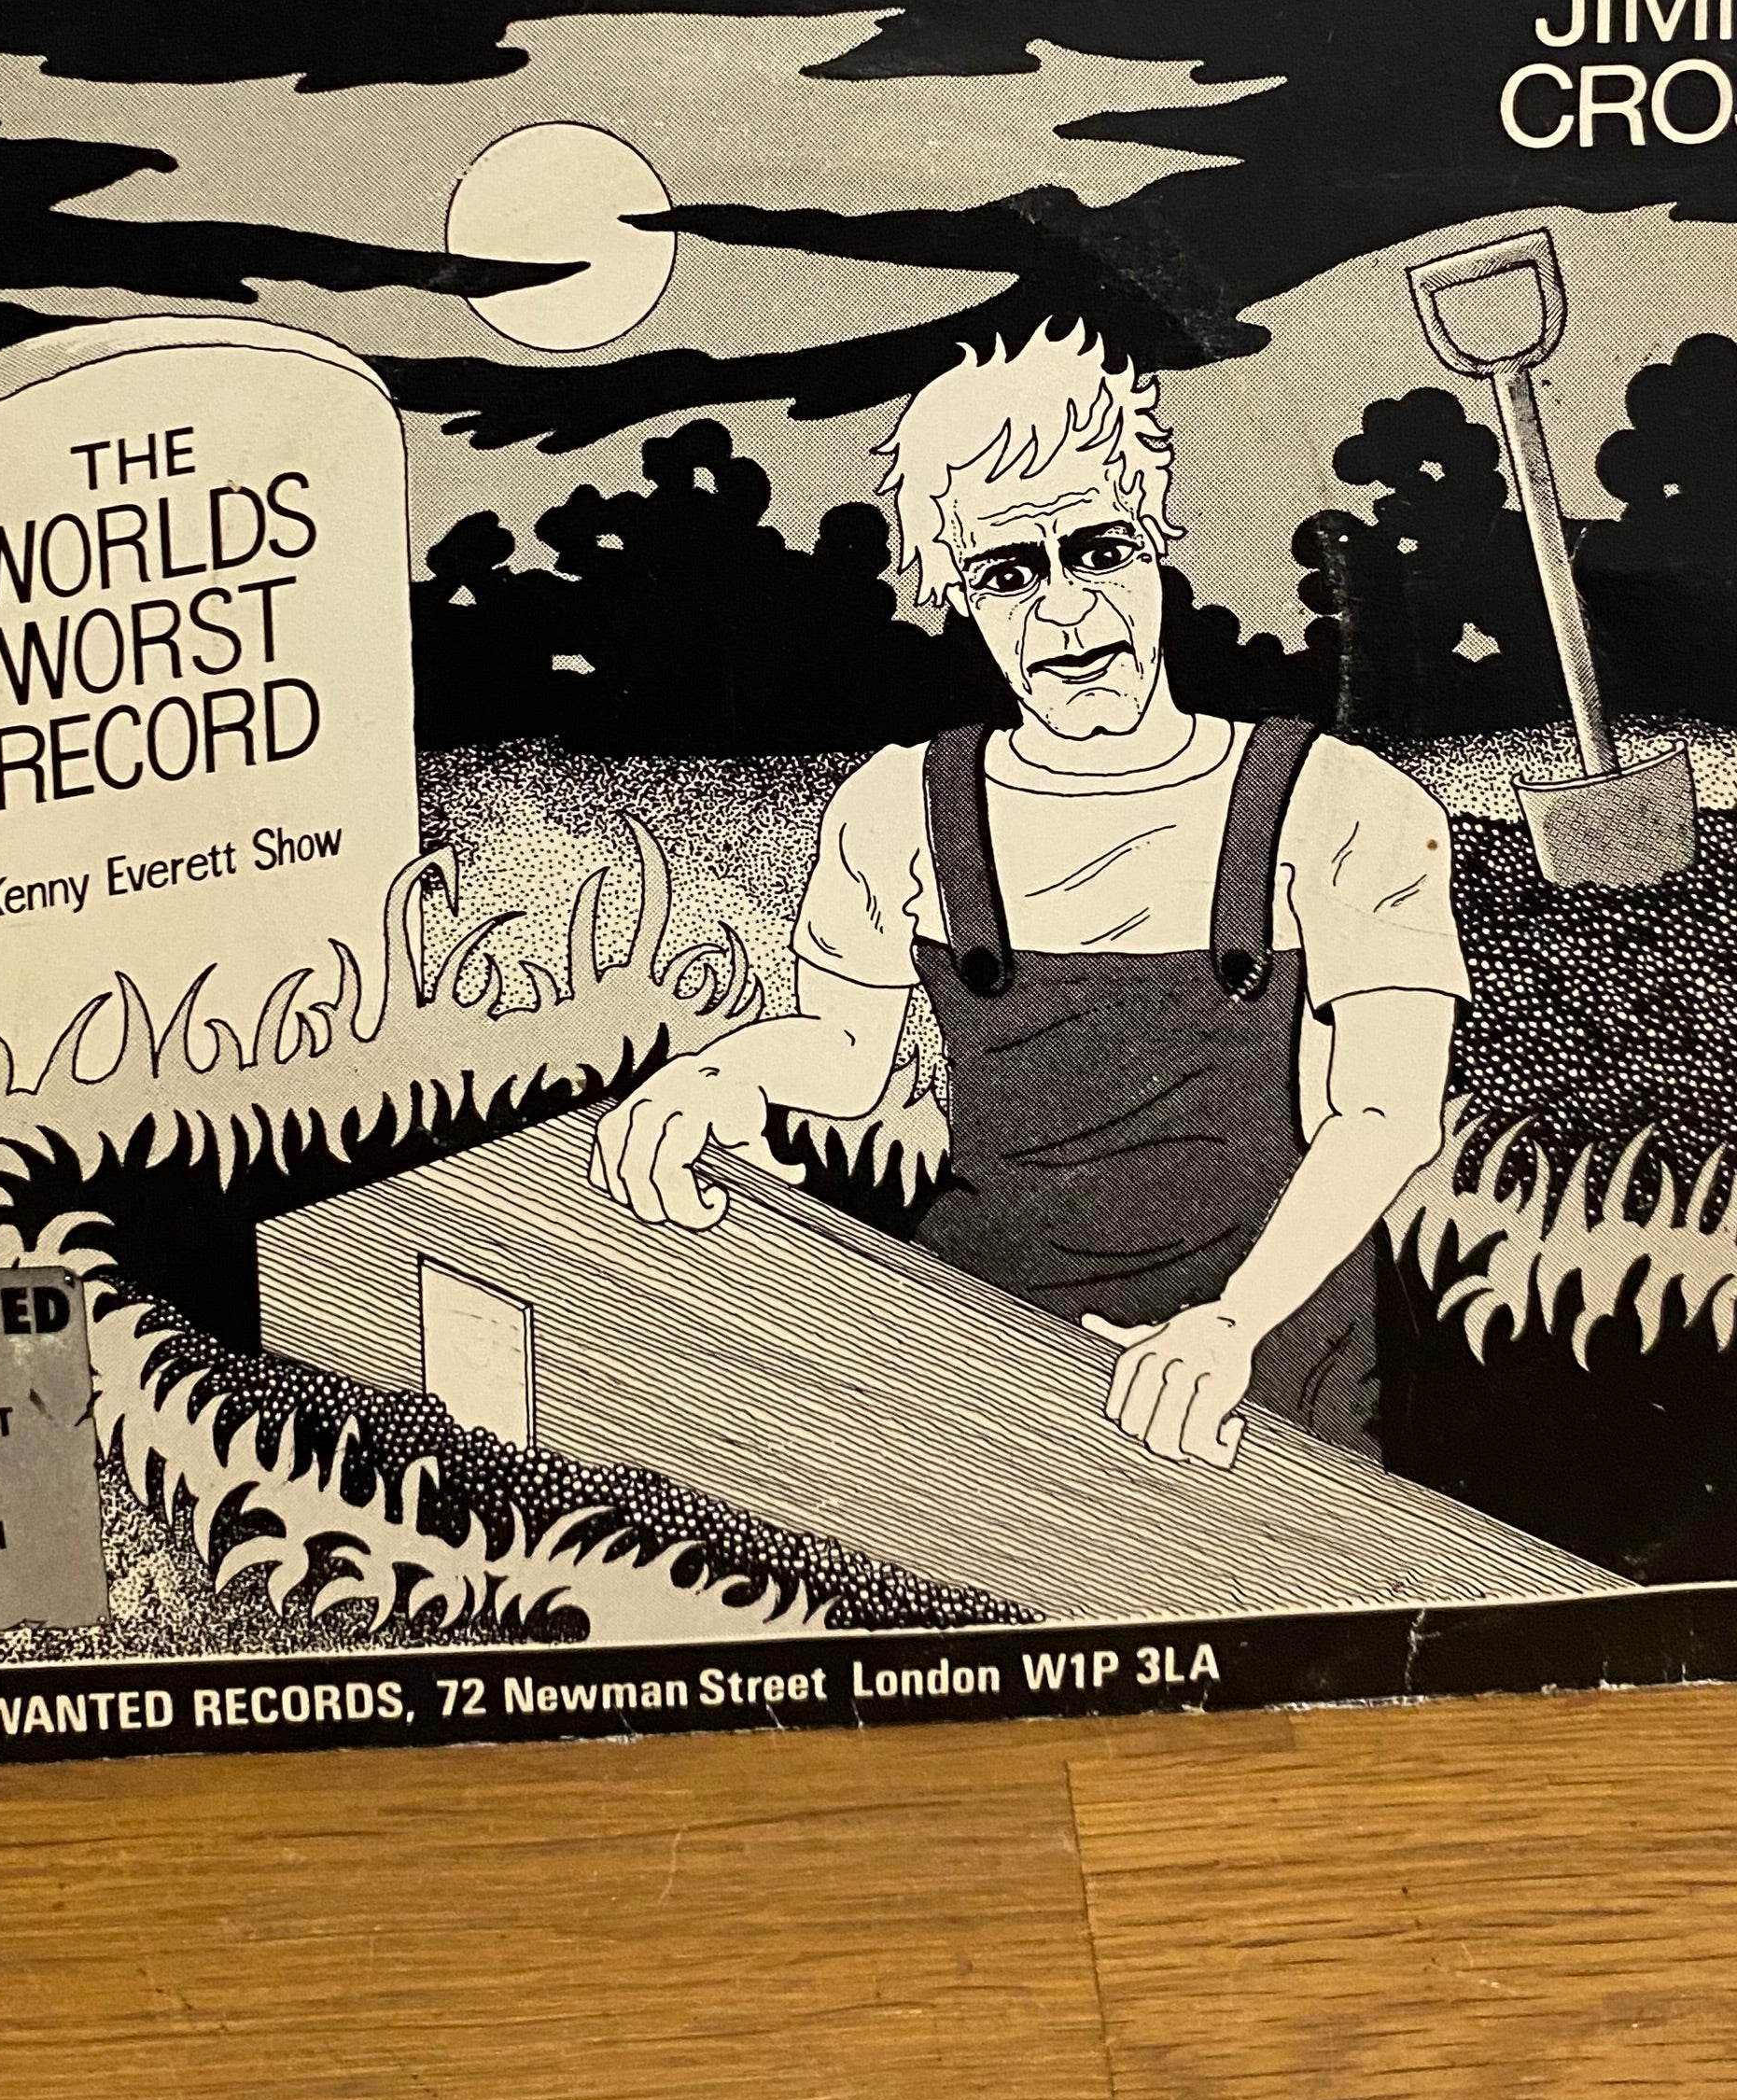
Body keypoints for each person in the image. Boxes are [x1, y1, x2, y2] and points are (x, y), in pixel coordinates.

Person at [591, 324, 1466, 1468]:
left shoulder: (1341, 804)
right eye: (1009, 573)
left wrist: (1230, 1327)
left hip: (1260, 1386)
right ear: (958, 592)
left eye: (1097, 550)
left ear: (1156, 539)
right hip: (981, 1358)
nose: (1064, 611)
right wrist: (720, 1076)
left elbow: (1386, 1115)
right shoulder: (899, 807)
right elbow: (843, 1056)